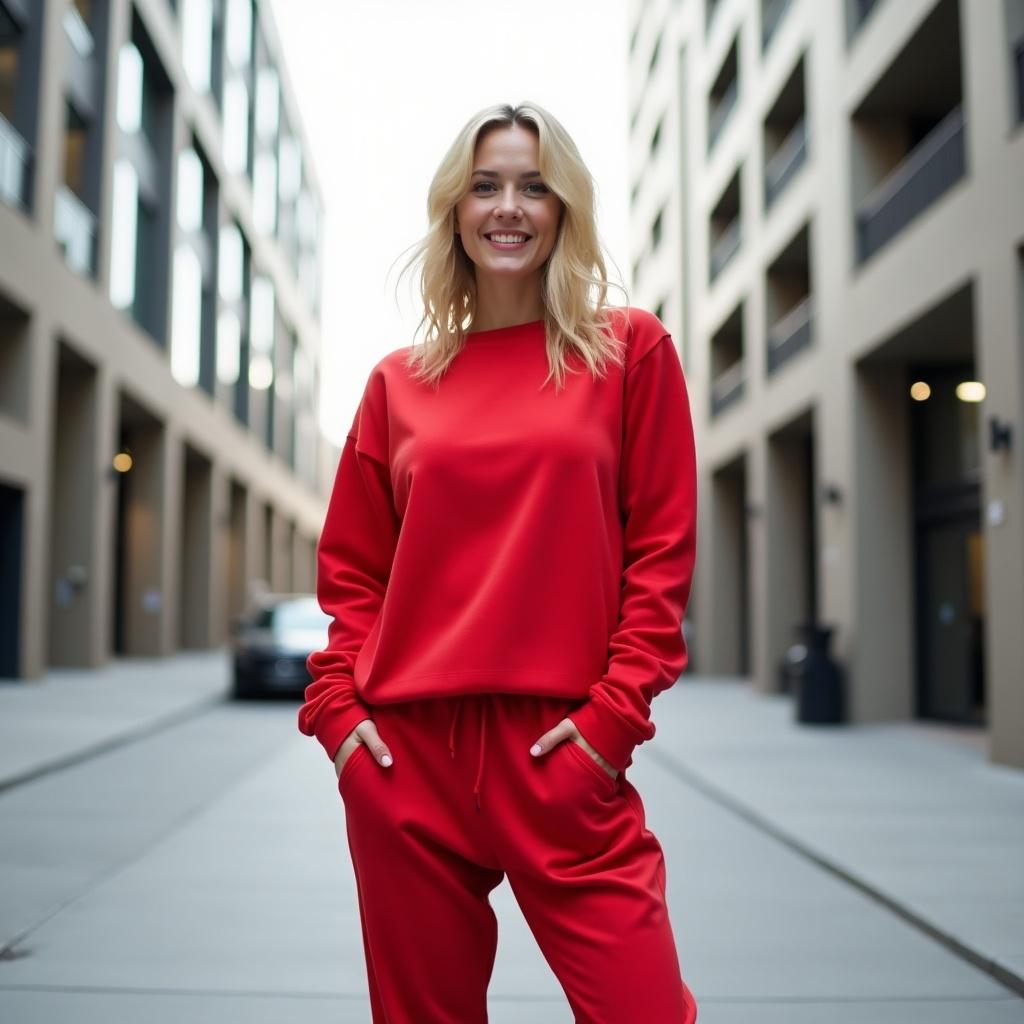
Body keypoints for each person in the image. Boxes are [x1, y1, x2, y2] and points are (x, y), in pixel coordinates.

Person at [297, 100, 699, 1024]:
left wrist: (610, 722)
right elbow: (355, 571)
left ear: (564, 211)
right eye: (485, 186)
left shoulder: (630, 351)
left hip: (564, 750)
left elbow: (662, 554)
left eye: (533, 185)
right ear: (456, 211)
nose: (508, 206)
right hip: (407, 762)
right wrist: (339, 718)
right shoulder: (399, 382)